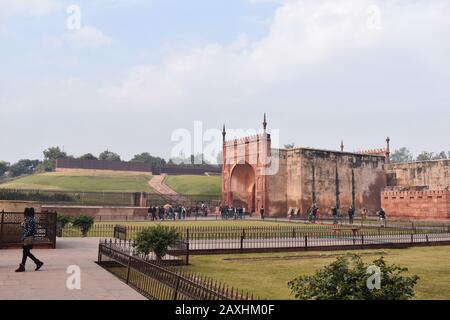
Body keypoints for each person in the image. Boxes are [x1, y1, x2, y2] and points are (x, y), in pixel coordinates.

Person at [15, 208, 44, 272]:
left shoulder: (30, 220)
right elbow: (26, 227)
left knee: (25, 252)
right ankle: (37, 262)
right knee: (26, 252)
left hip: (28, 237)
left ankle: (24, 266)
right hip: (28, 237)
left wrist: (24, 236)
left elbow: (30, 230)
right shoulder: (29, 219)